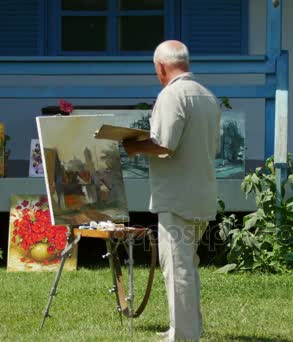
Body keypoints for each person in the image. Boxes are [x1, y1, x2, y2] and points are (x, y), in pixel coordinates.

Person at [123, 40, 221, 341]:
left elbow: (164, 144)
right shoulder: (207, 95)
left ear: (161, 66)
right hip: (202, 193)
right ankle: (188, 329)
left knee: (177, 269)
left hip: (177, 197)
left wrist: (132, 146)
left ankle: (184, 336)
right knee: (187, 267)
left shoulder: (171, 95)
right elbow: (214, 147)